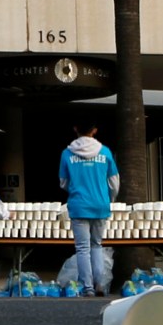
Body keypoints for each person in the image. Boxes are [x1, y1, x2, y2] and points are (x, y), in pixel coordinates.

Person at [59, 119, 119, 297]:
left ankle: (88, 287)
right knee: (97, 245)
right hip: (100, 204)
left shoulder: (66, 154)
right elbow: (114, 182)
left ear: (75, 128)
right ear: (95, 130)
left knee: (82, 248)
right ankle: (100, 283)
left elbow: (63, 182)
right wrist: (110, 198)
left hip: (78, 205)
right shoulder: (106, 152)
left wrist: (75, 189)